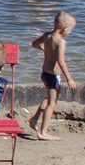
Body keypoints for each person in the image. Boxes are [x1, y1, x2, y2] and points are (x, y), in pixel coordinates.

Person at [28, 11, 75, 142]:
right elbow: (61, 61)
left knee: (49, 98)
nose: (70, 33)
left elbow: (34, 44)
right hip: (54, 75)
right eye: (71, 30)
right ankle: (43, 132)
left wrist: (45, 50)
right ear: (64, 28)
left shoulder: (47, 36)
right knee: (52, 103)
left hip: (45, 72)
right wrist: (69, 78)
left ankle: (34, 119)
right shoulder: (61, 42)